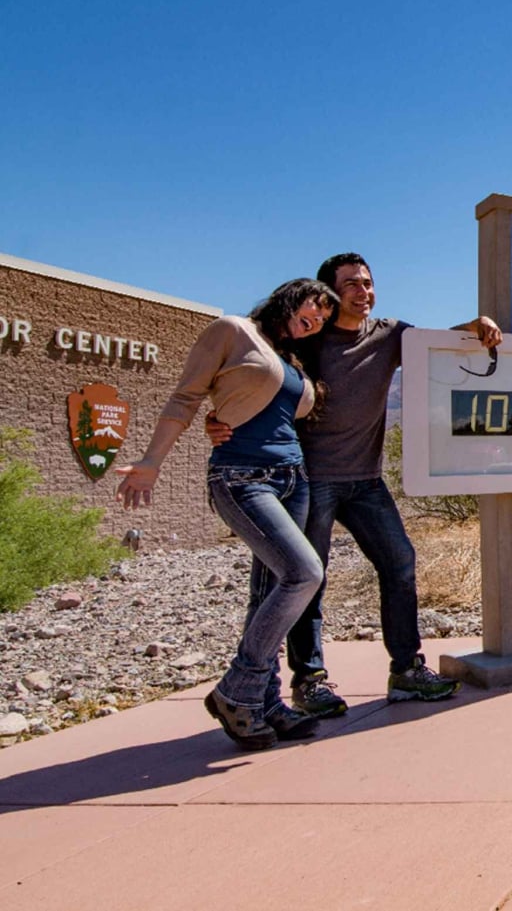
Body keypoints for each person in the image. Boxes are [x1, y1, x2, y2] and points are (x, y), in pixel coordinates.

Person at [209, 253, 503, 715]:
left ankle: (406, 670)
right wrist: (220, 419)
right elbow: (252, 374)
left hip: (365, 480)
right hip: (309, 480)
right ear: (329, 292)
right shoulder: (307, 338)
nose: (362, 291)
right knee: (310, 580)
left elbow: (439, 342)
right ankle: (309, 682)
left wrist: (477, 322)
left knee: (400, 561)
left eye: (367, 283)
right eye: (351, 284)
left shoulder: (390, 335)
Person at [116, 278, 338, 750]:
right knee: (304, 573)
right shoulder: (233, 330)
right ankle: (237, 691)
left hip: (292, 479)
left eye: (322, 319)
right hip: (241, 477)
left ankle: (264, 703)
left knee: (270, 592)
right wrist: (153, 461)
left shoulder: (292, 359)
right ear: (289, 296)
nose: (315, 320)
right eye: (313, 308)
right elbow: (186, 396)